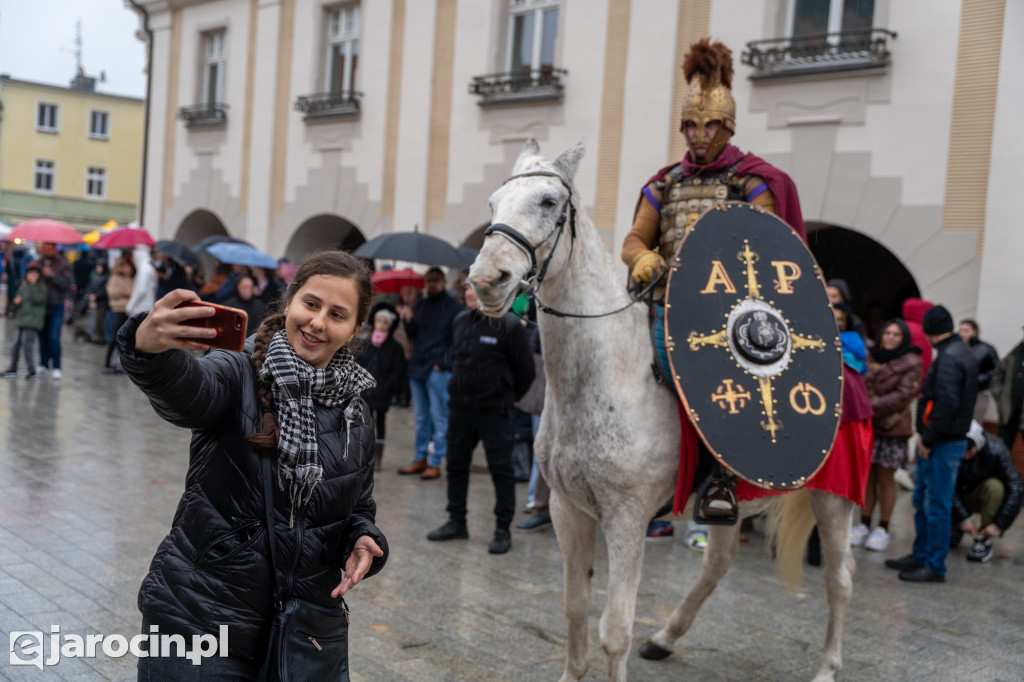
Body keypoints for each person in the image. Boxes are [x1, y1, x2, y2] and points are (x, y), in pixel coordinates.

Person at [116, 251, 388, 677]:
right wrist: (150, 351)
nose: (318, 322)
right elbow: (189, 392)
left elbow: (357, 506)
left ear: (355, 329)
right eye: (311, 304)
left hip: (299, 633)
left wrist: (362, 537)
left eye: (337, 314)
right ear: (291, 300)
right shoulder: (238, 371)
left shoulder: (355, 410)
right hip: (202, 618)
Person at [620, 38, 805, 522]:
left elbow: (772, 247)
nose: (699, 135)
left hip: (728, 314)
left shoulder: (751, 183)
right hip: (662, 305)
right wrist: (641, 260)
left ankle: (720, 477)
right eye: (690, 126)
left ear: (728, 126)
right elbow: (634, 239)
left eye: (709, 125)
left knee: (719, 381)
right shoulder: (664, 184)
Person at [427, 282, 535, 554]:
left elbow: (527, 372)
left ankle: (502, 529)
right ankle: (456, 521)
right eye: (468, 289)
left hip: (495, 412)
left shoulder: (509, 325)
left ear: (492, 294)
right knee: (457, 466)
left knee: (501, 470)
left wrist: (505, 396)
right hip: (461, 410)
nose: (471, 293)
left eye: (477, 289)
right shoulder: (460, 321)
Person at [885, 305, 977, 583]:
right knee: (924, 501)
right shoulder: (959, 351)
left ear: (928, 332)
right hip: (945, 440)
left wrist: (928, 438)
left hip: (942, 443)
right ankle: (921, 555)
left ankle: (934, 565)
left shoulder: (949, 358)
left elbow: (946, 403)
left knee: (936, 504)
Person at [856, 319, 923, 551]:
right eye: (887, 333)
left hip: (891, 428)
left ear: (903, 338)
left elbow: (903, 395)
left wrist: (867, 406)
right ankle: (864, 523)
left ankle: (883, 527)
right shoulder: (871, 357)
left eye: (896, 334)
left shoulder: (911, 362)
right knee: (868, 478)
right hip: (869, 426)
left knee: (886, 479)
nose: (891, 338)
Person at [396, 267, 463, 480]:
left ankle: (435, 461)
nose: (431, 284)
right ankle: (420, 457)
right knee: (421, 417)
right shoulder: (421, 304)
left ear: (443, 281)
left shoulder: (454, 307)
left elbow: (457, 340)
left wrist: (443, 364)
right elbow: (414, 334)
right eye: (428, 280)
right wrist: (407, 319)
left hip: (438, 367)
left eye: (435, 280)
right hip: (418, 364)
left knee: (440, 417)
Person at [950, 421, 1022, 563]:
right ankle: (954, 529)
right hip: (958, 498)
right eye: (962, 452)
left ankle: (983, 538)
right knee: (938, 487)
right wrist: (964, 518)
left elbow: (1016, 487)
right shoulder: (952, 450)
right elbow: (948, 485)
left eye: (969, 452)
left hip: (982, 495)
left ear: (979, 443)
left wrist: (999, 525)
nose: (965, 457)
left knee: (995, 487)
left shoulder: (996, 449)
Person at [356, 308, 406, 471]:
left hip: (382, 393)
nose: (381, 325)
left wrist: (388, 388)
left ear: (390, 325)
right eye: (379, 321)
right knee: (365, 424)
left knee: (381, 423)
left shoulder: (394, 347)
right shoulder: (366, 344)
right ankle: (364, 456)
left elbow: (397, 371)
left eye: (385, 322)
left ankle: (378, 458)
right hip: (366, 393)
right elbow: (359, 365)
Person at [3, 262, 47, 380]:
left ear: (39, 275)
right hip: (22, 320)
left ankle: (31, 370)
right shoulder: (23, 286)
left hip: (32, 322)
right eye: (29, 274)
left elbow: (37, 299)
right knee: (15, 345)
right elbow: (16, 303)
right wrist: (16, 302)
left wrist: (32, 286)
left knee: (27, 346)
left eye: (34, 274)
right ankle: (13, 368)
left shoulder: (41, 288)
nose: (31, 276)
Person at [36, 242, 73, 379]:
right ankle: (43, 363)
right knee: (42, 337)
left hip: (56, 305)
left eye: (49, 248)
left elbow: (67, 284)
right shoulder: (38, 263)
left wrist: (51, 275)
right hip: (40, 306)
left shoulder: (63, 264)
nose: (46, 250)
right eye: (44, 248)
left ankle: (56, 366)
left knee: (54, 337)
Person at [990, 327, 1024, 450]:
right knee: (1002, 450)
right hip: (1009, 414)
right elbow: (996, 377)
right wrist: (1001, 400)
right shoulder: (1014, 355)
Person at [958, 319, 999, 422]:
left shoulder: (986, 349)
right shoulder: (957, 348)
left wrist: (977, 381)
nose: (963, 334)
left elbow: (996, 370)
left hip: (979, 393)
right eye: (961, 330)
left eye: (966, 330)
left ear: (975, 331)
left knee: (974, 424)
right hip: (959, 391)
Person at [103, 257, 135, 373]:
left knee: (125, 339)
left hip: (128, 311)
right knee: (115, 337)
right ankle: (106, 363)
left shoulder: (132, 278)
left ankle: (120, 363)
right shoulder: (115, 278)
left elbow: (134, 292)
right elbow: (111, 292)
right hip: (117, 310)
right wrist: (125, 293)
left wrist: (125, 292)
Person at [126, 244, 158, 319]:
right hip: (146, 307)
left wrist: (130, 306)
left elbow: (141, 290)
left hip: (141, 309)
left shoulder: (144, 269)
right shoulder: (148, 267)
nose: (132, 259)